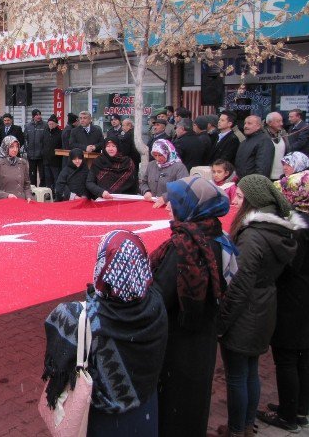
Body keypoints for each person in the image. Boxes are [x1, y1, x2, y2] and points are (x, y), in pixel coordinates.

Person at [41, 230, 167, 436]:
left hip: (102, 421)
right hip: (144, 412)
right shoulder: (155, 303)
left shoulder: (77, 316)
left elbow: (57, 363)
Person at [219, 174, 303, 437]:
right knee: (250, 370)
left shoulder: (253, 237)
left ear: (254, 202)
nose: (236, 200)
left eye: (241, 196)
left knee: (237, 375)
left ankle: (236, 429)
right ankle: (245, 425)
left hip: (247, 311)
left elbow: (240, 284)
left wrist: (222, 322)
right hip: (264, 305)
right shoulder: (275, 232)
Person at [150, 176, 234, 437]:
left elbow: (159, 297)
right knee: (195, 406)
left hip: (179, 342)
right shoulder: (218, 236)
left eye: (173, 201)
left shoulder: (184, 247)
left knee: (176, 409)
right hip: (204, 337)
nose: (167, 206)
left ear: (189, 207)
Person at [259, 168, 309, 431]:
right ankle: (299, 409)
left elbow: (288, 266)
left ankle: (288, 416)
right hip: (303, 297)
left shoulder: (297, 229)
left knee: (287, 357)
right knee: (302, 356)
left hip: (293, 300)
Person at [140, 139, 189, 207]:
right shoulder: (151, 165)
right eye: (155, 155)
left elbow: (183, 187)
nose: (157, 158)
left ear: (167, 153)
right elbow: (143, 183)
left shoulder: (179, 167)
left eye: (160, 155)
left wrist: (165, 197)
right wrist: (146, 191)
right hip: (152, 205)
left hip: (170, 207)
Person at [86, 135, 137, 199]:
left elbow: (134, 184)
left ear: (118, 147)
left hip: (124, 201)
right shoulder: (98, 162)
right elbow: (89, 182)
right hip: (103, 200)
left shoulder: (128, 162)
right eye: (108, 146)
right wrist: (101, 192)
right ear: (104, 147)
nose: (111, 149)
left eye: (113, 146)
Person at [0, 136, 32, 201]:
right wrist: (7, 196)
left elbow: (27, 185)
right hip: (5, 203)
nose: (15, 149)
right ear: (5, 147)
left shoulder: (22, 163)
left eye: (17, 146)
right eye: (12, 147)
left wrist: (28, 196)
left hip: (21, 202)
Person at [234, 115, 274, 179]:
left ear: (258, 126)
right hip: (242, 182)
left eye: (249, 123)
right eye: (245, 123)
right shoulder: (245, 141)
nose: (245, 126)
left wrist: (256, 185)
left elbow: (263, 168)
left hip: (252, 184)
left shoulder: (264, 141)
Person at [24, 109, 48, 186]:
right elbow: (25, 139)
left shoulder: (45, 125)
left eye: (39, 114)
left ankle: (42, 189)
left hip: (41, 155)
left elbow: (46, 140)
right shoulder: (27, 126)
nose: (39, 116)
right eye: (37, 115)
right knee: (32, 174)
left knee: (42, 174)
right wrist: (27, 149)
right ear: (33, 116)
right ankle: (33, 189)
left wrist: (44, 151)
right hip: (31, 155)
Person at [265, 112, 289, 180]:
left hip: (282, 176)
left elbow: (288, 150)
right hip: (267, 176)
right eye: (278, 121)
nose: (281, 124)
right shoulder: (263, 135)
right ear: (269, 123)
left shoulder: (283, 133)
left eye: (281, 121)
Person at [42, 114, 63, 192]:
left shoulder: (60, 133)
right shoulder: (45, 132)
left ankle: (57, 193)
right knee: (48, 178)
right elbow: (42, 143)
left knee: (56, 178)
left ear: (56, 124)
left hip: (56, 161)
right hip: (46, 160)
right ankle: (49, 193)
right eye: (49, 124)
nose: (50, 125)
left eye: (52, 124)